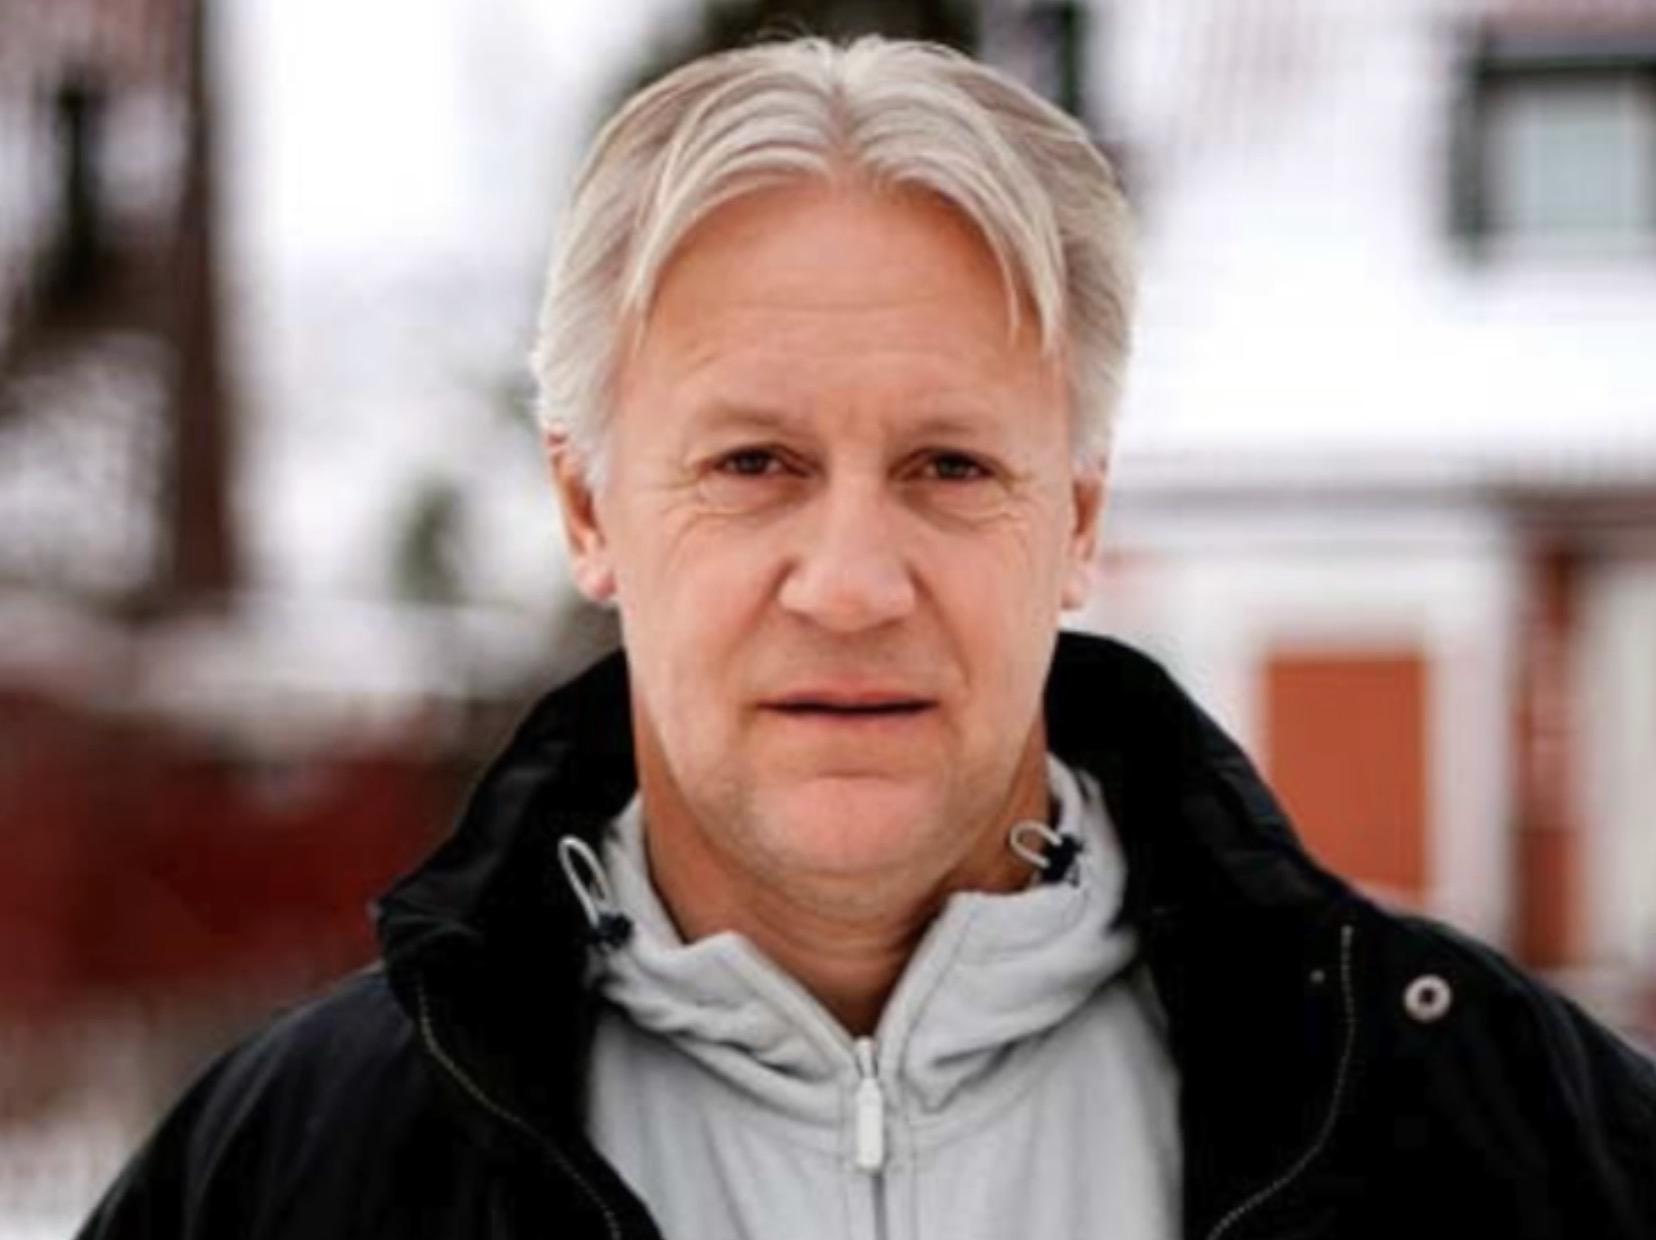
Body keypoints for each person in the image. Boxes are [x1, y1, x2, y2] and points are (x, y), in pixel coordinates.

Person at [79, 36, 1655, 1240]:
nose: (850, 584)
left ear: (1077, 518)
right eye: (754, 464)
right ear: (588, 508)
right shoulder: (287, 1182)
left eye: (949, 467)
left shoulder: (1509, 1141)